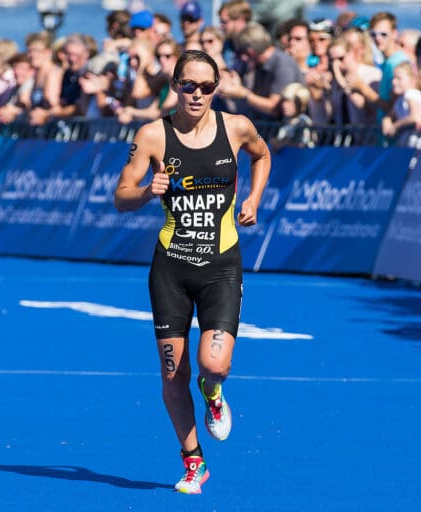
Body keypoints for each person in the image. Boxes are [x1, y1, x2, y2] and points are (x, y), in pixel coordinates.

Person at [113, 49, 271, 495]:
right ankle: (193, 461)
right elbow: (120, 195)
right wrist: (147, 191)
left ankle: (214, 393)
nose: (197, 94)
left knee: (212, 365)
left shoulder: (236, 127)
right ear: (175, 87)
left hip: (221, 265)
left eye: (206, 87)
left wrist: (254, 199)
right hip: (171, 268)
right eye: (189, 85)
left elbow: (262, 156)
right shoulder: (152, 136)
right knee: (171, 374)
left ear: (215, 89)